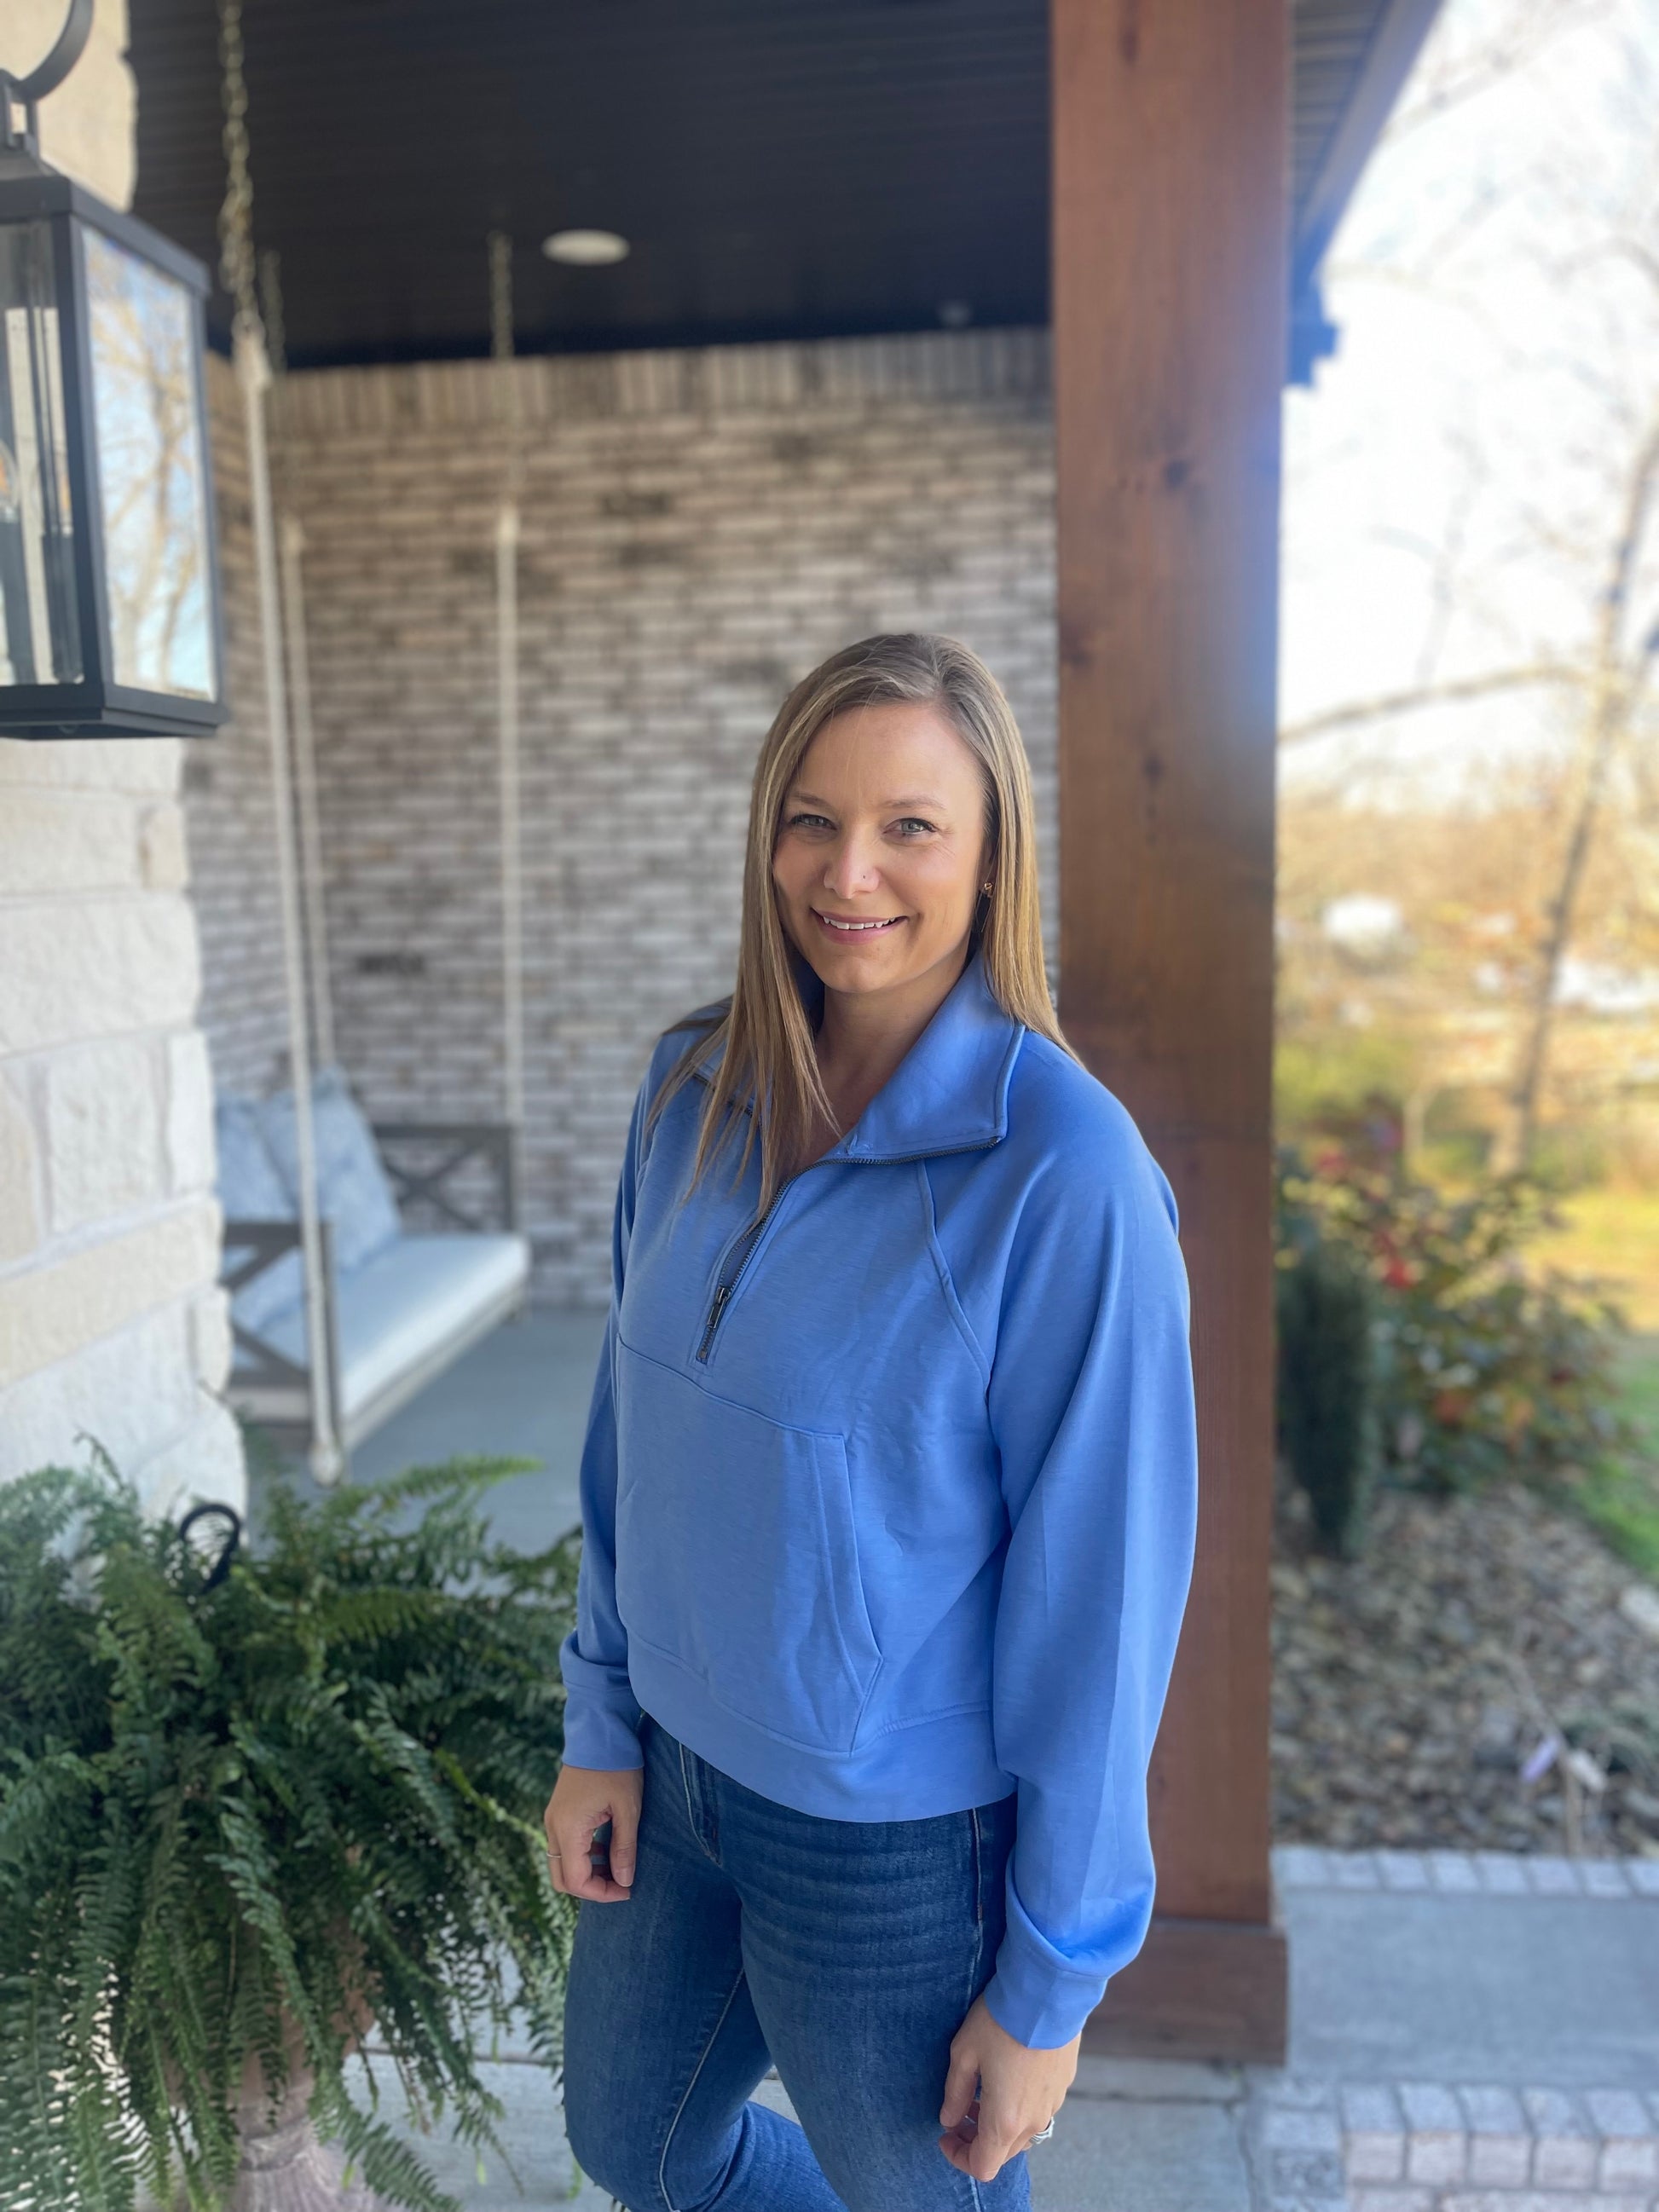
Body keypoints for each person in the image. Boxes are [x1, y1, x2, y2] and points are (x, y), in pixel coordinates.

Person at [545, 632, 1199, 2212]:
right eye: (811, 820)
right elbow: (630, 1435)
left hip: (890, 1849)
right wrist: (599, 1721)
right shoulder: (688, 1087)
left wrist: (1047, 1984)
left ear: (990, 859)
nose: (850, 872)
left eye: (911, 825)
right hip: (675, 1780)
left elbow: (1104, 1608)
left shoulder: (1065, 1173)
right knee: (634, 2147)